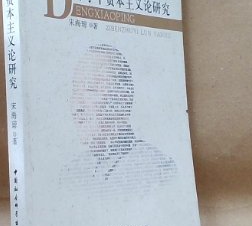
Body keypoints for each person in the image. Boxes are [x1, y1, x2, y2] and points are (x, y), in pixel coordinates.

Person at [60, 44, 177, 199]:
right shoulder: (71, 173)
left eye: (90, 89)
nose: (77, 106)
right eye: (75, 91)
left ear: (123, 98)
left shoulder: (158, 169)